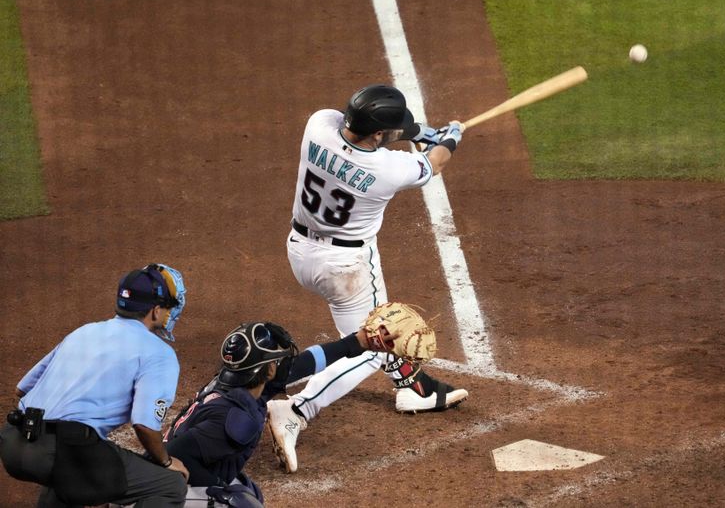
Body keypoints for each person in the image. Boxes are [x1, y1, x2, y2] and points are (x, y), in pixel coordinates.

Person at [268, 84, 469, 473]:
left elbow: (369, 132)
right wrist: (449, 139)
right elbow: (434, 163)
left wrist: (419, 131)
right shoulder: (387, 169)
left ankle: (411, 387)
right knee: (374, 345)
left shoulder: (318, 125)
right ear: (379, 135)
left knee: (374, 316)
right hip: (344, 268)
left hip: (301, 249)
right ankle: (296, 409)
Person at [162, 309, 414, 507]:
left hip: (173, 477)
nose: (287, 363)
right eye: (280, 360)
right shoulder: (238, 418)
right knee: (240, 502)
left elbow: (305, 364)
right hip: (165, 489)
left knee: (247, 491)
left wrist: (358, 342)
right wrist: (219, 488)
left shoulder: (239, 382)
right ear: (270, 370)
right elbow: (171, 455)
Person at [0, 264, 190, 507]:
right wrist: (165, 461)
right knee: (169, 485)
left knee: (70, 477)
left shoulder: (84, 332)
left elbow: (22, 388)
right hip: (64, 451)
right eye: (167, 307)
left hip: (14, 442)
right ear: (155, 311)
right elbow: (144, 425)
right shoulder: (159, 353)